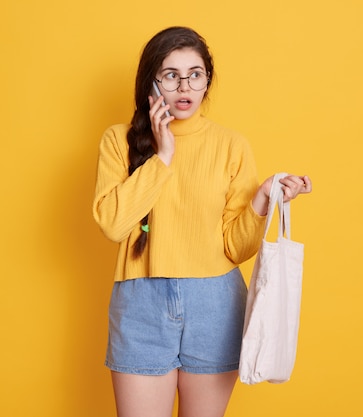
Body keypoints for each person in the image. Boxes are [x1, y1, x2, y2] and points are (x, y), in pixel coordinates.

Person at [92, 26, 311, 417]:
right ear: (152, 83)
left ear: (207, 78)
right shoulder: (118, 140)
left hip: (216, 303)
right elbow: (113, 224)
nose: (184, 86)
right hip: (141, 303)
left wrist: (262, 198)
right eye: (171, 75)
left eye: (195, 73)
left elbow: (235, 248)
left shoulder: (231, 145)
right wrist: (162, 156)